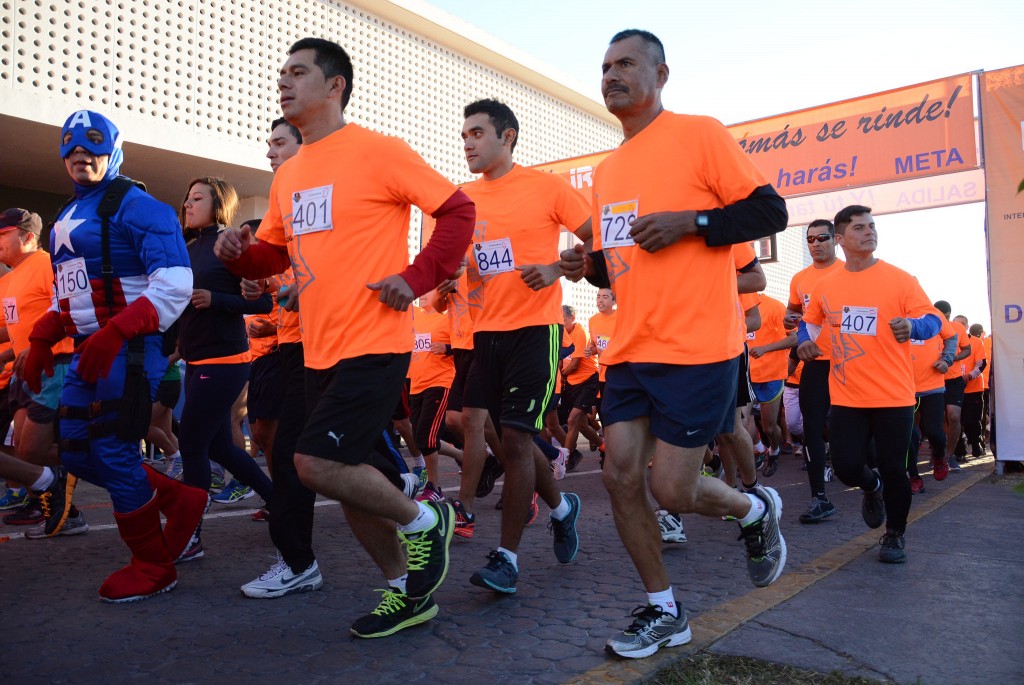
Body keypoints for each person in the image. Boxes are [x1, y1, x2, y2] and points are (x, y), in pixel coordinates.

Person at [214, 38, 474, 636]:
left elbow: (457, 212)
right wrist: (240, 254)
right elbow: (273, 254)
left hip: (375, 343)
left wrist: (415, 278)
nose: (284, 81)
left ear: (334, 86)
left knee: (314, 463)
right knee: (349, 480)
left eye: (298, 73)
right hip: (316, 347)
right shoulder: (290, 173)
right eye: (282, 72)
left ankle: (423, 521)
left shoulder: (379, 151)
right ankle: (404, 592)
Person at [560, 30, 787, 659]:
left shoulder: (699, 134)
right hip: (631, 346)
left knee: (672, 491)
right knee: (617, 475)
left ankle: (751, 511)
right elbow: (616, 264)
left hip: (698, 344)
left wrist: (694, 223)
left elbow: (771, 212)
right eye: (605, 66)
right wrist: (589, 266)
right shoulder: (606, 171)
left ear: (661, 74)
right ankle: (664, 607)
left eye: (626, 63)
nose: (611, 75)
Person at [24, 110, 209, 601]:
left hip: (130, 351)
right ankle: (178, 499)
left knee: (112, 448)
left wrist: (116, 333)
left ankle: (154, 567)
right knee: (78, 452)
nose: (79, 154)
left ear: (113, 150)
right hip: (89, 351)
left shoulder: (141, 208)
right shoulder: (67, 215)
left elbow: (174, 285)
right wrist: (43, 338)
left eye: (91, 146)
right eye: (71, 147)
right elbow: (73, 294)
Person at [454, 98, 588, 595]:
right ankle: (561, 506)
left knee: (514, 440)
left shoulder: (547, 187)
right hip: (485, 334)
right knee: (507, 439)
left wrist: (556, 268)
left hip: (536, 330)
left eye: (477, 133)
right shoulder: (463, 198)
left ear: (507, 137)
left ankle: (506, 557)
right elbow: (460, 262)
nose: (466, 142)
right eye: (463, 134)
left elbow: (595, 241)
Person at [798, 205, 942, 564]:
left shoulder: (900, 279)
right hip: (847, 395)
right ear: (842, 238)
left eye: (872, 226)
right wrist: (804, 340)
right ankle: (871, 486)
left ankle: (895, 534)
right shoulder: (826, 286)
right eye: (860, 228)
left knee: (895, 467)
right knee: (846, 466)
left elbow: (932, 320)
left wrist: (914, 328)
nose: (869, 232)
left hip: (894, 395)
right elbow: (809, 322)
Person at [176, 177, 274, 546]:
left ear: (218, 205)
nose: (188, 204)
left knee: (192, 444)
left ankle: (190, 537)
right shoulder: (187, 248)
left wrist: (217, 300)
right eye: (187, 197)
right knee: (218, 447)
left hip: (226, 358)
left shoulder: (229, 245)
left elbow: (264, 302)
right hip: (196, 358)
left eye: (197, 197)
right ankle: (279, 502)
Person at [786, 219, 844, 523]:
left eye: (822, 238)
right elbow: (794, 311)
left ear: (835, 240)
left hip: (851, 363)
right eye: (810, 239)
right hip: (815, 362)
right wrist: (790, 320)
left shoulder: (850, 272)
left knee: (851, 428)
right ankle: (819, 497)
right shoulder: (800, 278)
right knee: (811, 428)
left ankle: (871, 477)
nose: (816, 243)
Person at [560, 304, 600, 471]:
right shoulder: (561, 333)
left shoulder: (580, 332)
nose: (560, 323)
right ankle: (602, 445)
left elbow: (575, 363)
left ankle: (565, 460)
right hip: (570, 382)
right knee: (581, 424)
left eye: (564, 319)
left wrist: (560, 375)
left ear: (572, 318)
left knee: (572, 420)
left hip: (588, 380)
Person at [933, 300, 971, 474]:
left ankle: (950, 456)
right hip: (932, 379)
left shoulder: (957, 327)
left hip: (954, 378)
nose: (944, 321)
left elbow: (967, 350)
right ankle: (939, 454)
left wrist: (950, 358)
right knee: (938, 418)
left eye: (946, 317)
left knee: (954, 416)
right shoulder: (928, 326)